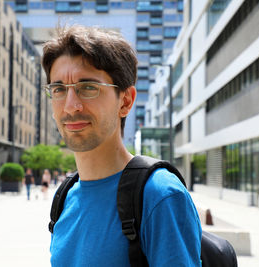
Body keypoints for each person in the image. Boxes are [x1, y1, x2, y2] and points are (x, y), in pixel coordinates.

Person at [42, 25, 202, 266]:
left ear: (125, 101)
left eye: (88, 88)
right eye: (59, 89)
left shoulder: (159, 195)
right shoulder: (65, 196)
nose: (70, 106)